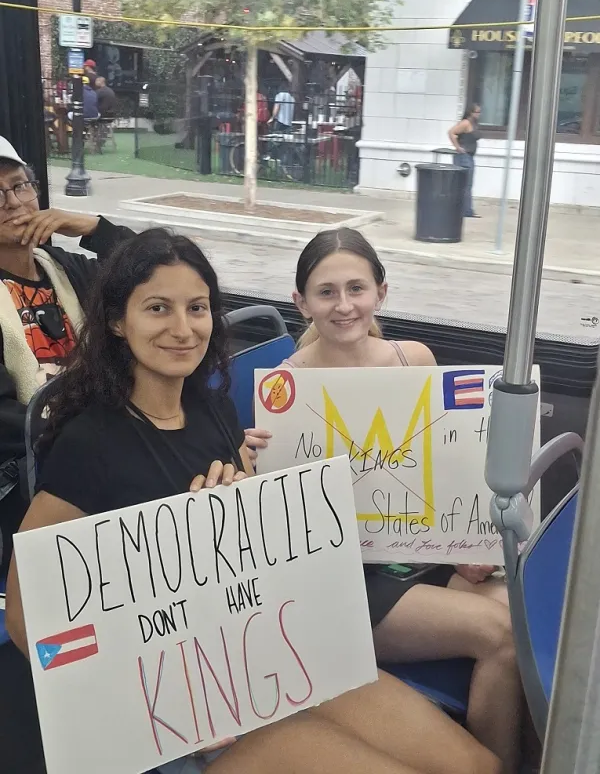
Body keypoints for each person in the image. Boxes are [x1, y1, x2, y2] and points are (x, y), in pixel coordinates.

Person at [5, 229, 500, 774]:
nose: (182, 328)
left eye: (197, 308)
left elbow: (241, 557)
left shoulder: (213, 408)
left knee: (479, 767)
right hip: (186, 703)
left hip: (273, 652)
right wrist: (130, 712)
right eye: (157, 308)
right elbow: (29, 609)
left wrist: (243, 498)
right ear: (118, 321)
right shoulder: (91, 443)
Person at [245, 228, 523, 774]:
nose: (344, 305)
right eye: (326, 292)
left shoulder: (413, 359)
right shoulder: (282, 390)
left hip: (418, 551)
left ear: (381, 293)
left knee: (525, 616)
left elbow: (442, 469)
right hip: (345, 579)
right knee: (503, 636)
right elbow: (276, 520)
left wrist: (466, 545)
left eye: (357, 288)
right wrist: (251, 461)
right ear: (301, 302)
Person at [0, 136, 134, 773]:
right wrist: (75, 428)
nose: (13, 203)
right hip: (27, 477)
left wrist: (92, 227)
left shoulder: (67, 270)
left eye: (20, 186)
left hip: (102, 450)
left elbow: (151, 272)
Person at [449, 104, 481, 218]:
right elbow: (451, 132)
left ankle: (465, 209)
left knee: (467, 184)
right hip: (464, 156)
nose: (479, 114)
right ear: (470, 113)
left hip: (469, 156)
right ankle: (466, 210)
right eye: (477, 112)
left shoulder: (474, 124)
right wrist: (458, 147)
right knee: (465, 183)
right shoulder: (465, 123)